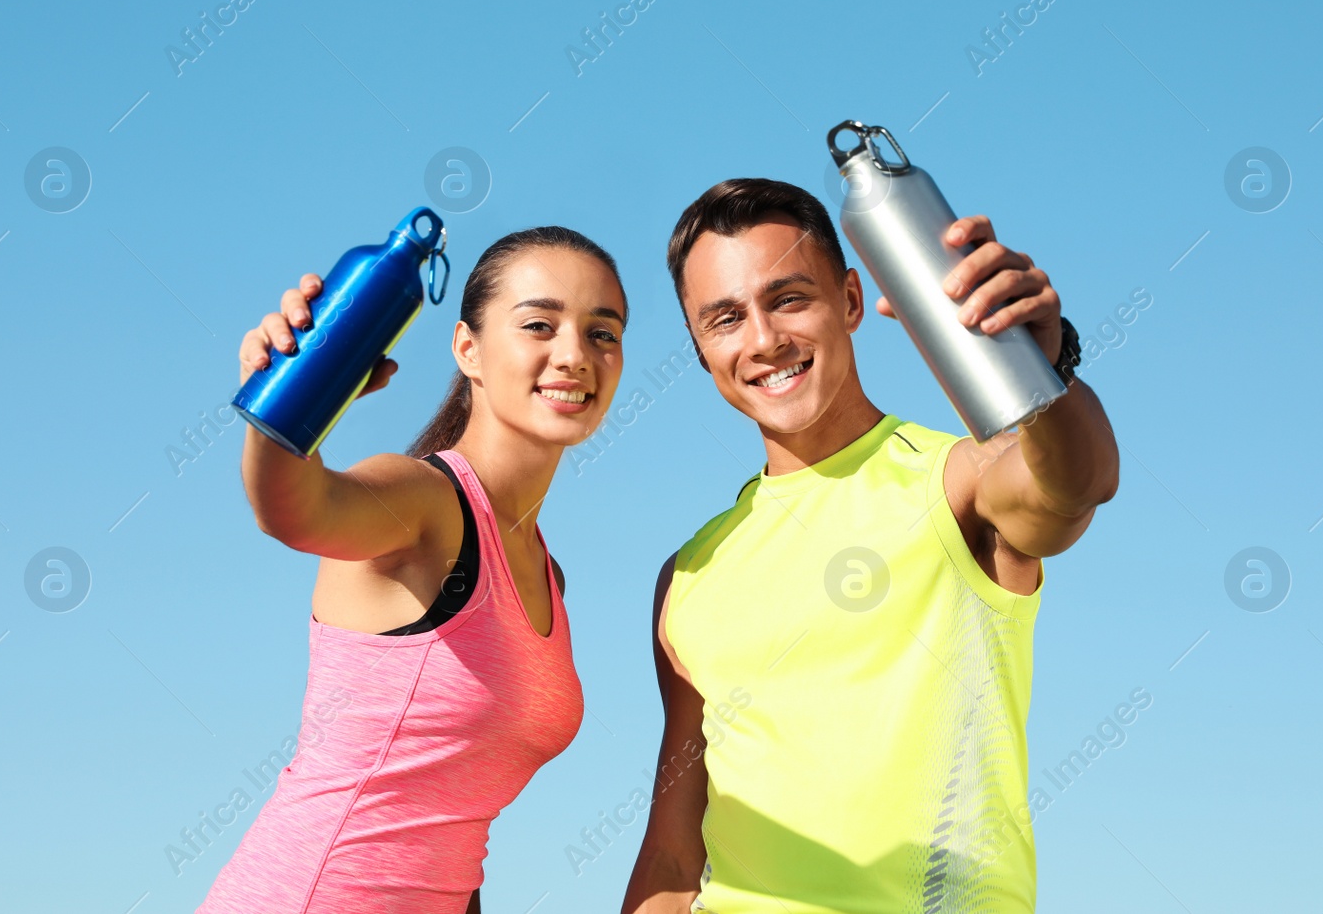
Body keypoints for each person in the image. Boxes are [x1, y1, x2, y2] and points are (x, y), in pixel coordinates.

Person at [621, 179, 1119, 913]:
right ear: (700, 348)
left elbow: (1074, 486)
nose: (763, 339)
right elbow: (672, 844)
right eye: (725, 317)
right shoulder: (689, 572)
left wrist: (1044, 371)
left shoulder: (961, 481)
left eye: (789, 298)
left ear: (852, 300)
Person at [200, 226, 628, 914]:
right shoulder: (425, 502)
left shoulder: (544, 570)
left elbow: (447, 817)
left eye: (602, 333)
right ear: (468, 348)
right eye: (539, 324)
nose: (574, 354)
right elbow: (293, 508)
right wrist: (285, 392)